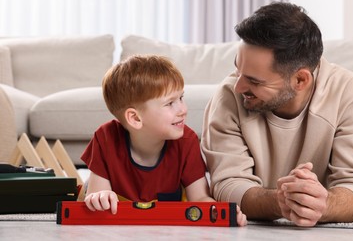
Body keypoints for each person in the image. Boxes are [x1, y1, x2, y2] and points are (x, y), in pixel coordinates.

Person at [201, 2, 353, 227]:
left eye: (255, 81)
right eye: (238, 70)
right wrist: (281, 201)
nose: (238, 86)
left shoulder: (351, 94)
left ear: (300, 80)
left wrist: (324, 204)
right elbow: (226, 186)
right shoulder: (228, 97)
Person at [81, 55, 247, 226]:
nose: (183, 109)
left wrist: (223, 213)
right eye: (170, 103)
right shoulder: (106, 137)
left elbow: (199, 197)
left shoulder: (186, 140)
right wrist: (99, 196)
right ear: (135, 118)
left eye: (181, 98)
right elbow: (96, 194)